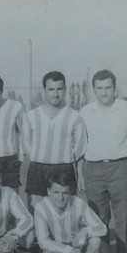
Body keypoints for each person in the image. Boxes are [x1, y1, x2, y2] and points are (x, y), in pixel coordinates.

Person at [79, 69, 127, 253]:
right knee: (98, 222)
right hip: (93, 170)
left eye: (108, 87)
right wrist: (80, 173)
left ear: (114, 88)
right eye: (99, 88)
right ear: (94, 89)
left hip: (121, 169)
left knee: (123, 222)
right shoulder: (85, 112)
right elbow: (79, 147)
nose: (104, 92)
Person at [34, 170, 107, 253]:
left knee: (96, 241)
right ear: (48, 191)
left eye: (65, 193)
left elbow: (102, 228)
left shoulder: (78, 203)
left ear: (70, 193)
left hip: (77, 246)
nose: (60, 198)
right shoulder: (41, 207)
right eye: (56, 192)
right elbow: (43, 241)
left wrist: (85, 232)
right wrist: (69, 251)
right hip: (55, 248)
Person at [23, 71, 87, 209]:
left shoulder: (75, 117)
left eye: (59, 89)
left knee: (65, 214)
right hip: (38, 169)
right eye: (51, 89)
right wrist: (38, 157)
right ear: (44, 90)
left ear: (65, 90)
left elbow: (80, 149)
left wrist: (80, 175)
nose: (55, 93)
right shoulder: (31, 116)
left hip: (64, 168)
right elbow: (26, 144)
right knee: (36, 212)